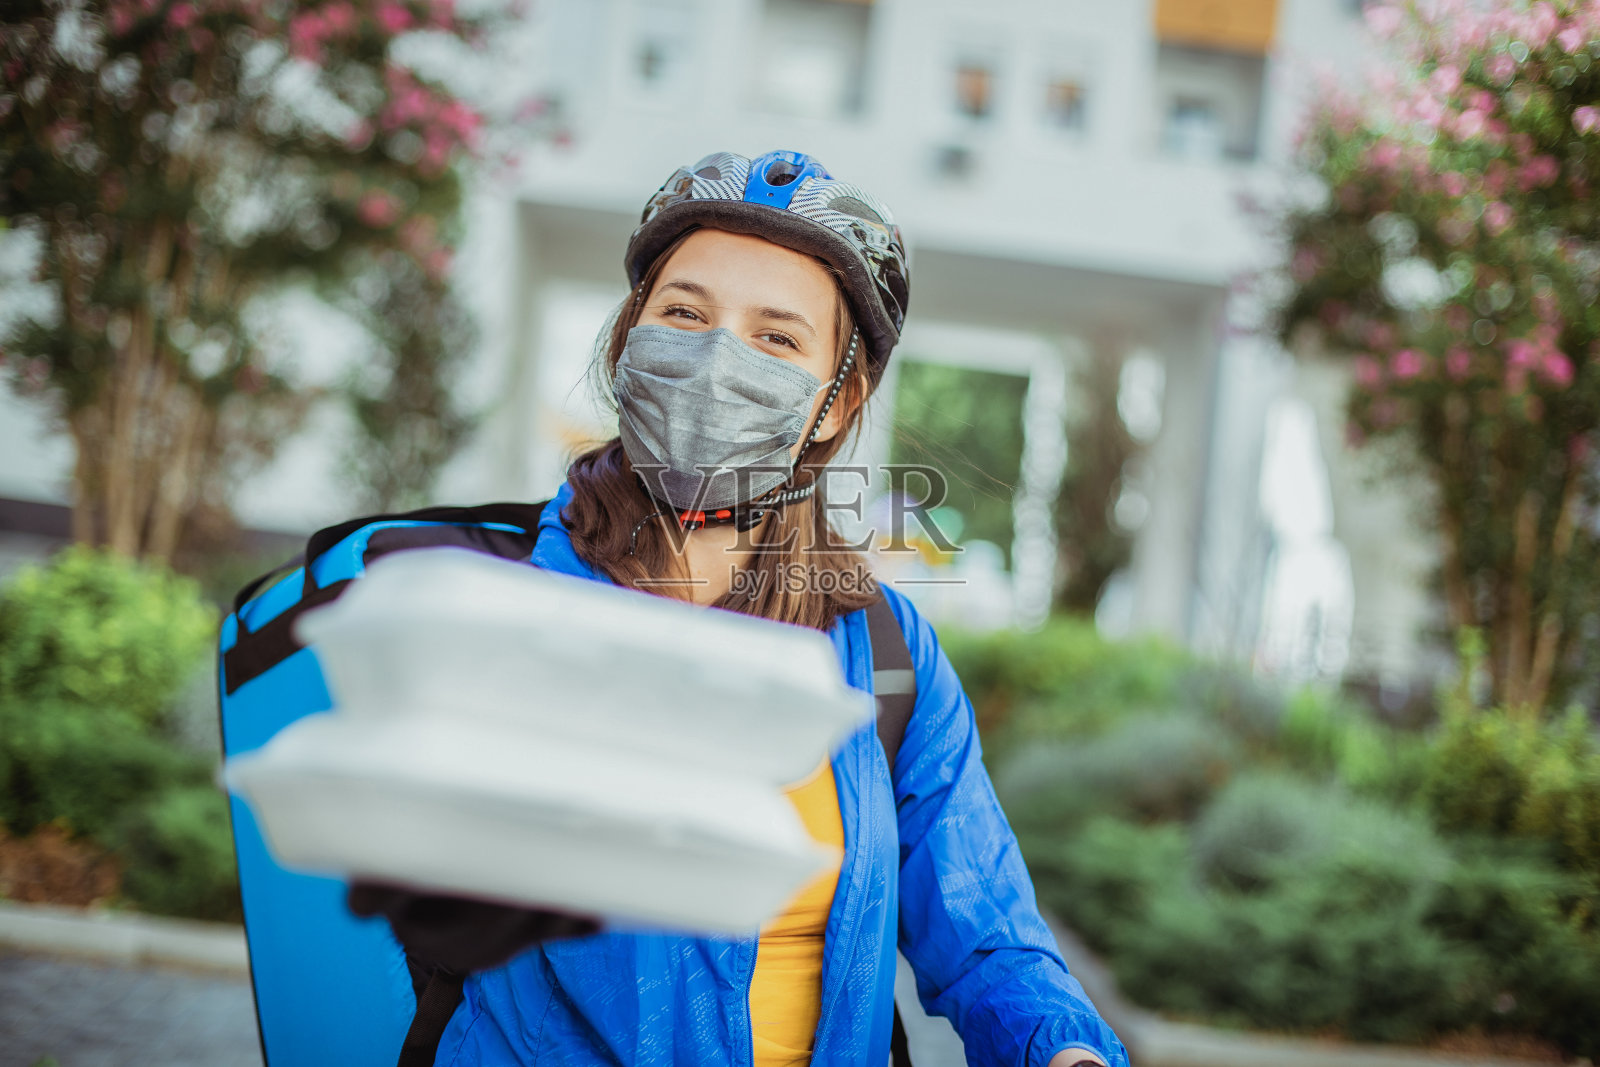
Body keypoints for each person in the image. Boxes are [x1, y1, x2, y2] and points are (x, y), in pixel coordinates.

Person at [352, 150, 1127, 1067]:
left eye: (777, 339)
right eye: (685, 313)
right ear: (629, 338)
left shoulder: (886, 652)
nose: (718, 359)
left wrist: (1066, 1052)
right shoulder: (501, 606)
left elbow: (988, 932)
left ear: (836, 403)